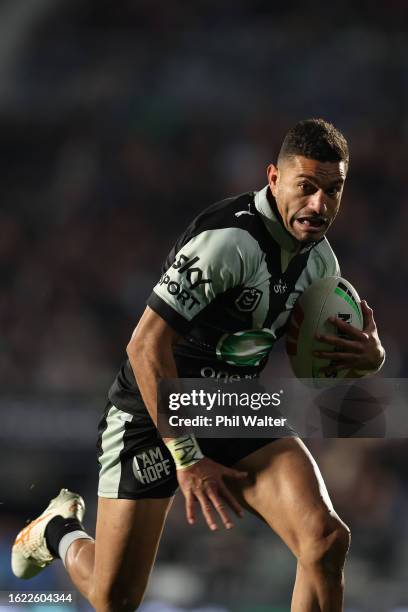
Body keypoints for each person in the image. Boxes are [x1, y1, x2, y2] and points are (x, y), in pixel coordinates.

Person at [12, 119, 385, 611]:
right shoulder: (229, 242)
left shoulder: (321, 263)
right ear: (274, 178)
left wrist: (369, 355)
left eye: (332, 191)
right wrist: (186, 457)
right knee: (113, 600)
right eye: (307, 187)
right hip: (152, 410)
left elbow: (318, 350)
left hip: (227, 406)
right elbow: (144, 347)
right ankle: (58, 529)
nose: (319, 204)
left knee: (325, 540)